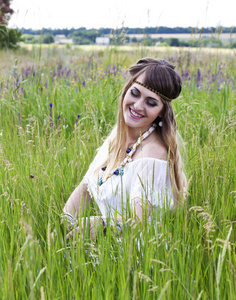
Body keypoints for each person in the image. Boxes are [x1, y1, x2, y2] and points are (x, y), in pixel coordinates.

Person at [62, 58, 187, 241]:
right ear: (127, 89)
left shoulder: (153, 155)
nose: (137, 106)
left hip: (135, 259)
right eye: (135, 93)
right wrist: (68, 228)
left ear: (161, 111)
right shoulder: (115, 140)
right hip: (100, 249)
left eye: (151, 103)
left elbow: (137, 222)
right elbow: (84, 190)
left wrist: (102, 224)